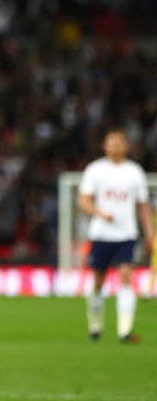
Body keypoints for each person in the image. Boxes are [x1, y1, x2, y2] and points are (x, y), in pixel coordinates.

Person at [78, 129, 154, 343]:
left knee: (126, 276)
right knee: (98, 281)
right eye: (111, 142)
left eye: (119, 142)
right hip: (101, 234)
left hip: (126, 234)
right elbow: (83, 201)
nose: (115, 146)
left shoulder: (135, 172)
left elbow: (143, 207)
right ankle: (95, 323)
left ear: (126, 146)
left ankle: (125, 330)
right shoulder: (95, 170)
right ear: (104, 146)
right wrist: (100, 213)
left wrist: (150, 234)